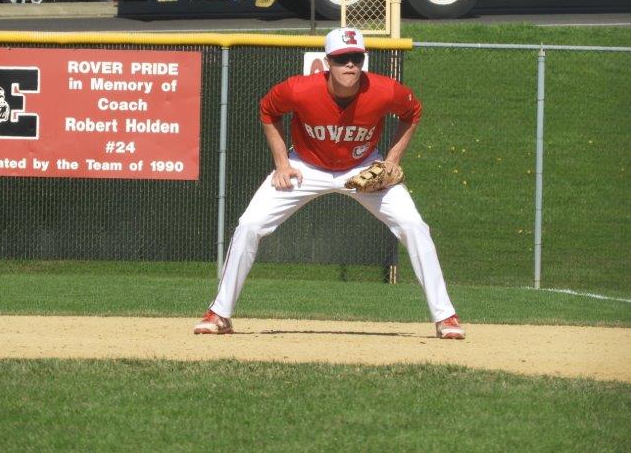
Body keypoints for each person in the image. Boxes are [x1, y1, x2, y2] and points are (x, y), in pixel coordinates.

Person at [194, 27, 464, 339]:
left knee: (414, 225)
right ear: (328, 63)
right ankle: (219, 314)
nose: (350, 65)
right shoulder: (299, 90)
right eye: (341, 59)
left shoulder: (384, 90)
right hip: (305, 167)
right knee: (250, 224)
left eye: (356, 58)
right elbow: (268, 111)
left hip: (363, 166)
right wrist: (282, 163)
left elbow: (413, 112)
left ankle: (446, 317)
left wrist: (392, 161)